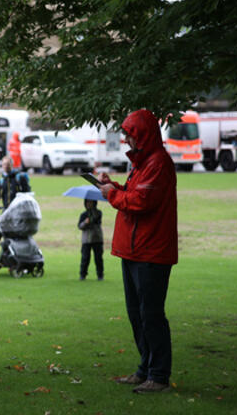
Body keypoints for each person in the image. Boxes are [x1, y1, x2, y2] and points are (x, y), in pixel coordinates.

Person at [98, 109, 178, 394]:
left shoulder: (158, 163)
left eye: (129, 134)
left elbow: (142, 202)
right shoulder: (142, 164)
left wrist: (113, 195)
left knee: (151, 314)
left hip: (151, 253)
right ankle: (145, 369)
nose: (126, 140)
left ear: (141, 134)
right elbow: (133, 195)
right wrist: (113, 187)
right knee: (136, 313)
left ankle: (158, 375)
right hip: (134, 251)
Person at [77, 199, 104, 281]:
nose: (89, 204)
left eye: (91, 202)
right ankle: (82, 275)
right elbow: (80, 226)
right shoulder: (83, 215)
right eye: (87, 202)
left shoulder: (98, 213)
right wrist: (85, 222)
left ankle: (100, 275)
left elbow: (96, 220)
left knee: (98, 258)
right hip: (86, 240)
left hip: (97, 239)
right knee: (85, 258)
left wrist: (90, 219)